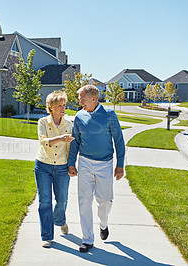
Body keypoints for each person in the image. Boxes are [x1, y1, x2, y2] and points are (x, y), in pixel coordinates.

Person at [68, 85, 125, 253]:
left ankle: (103, 223)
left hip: (105, 164)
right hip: (85, 162)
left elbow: (119, 141)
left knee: (105, 200)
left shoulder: (109, 115)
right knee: (84, 201)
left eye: (82, 99)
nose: (80, 102)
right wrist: (72, 163)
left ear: (94, 99)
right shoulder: (79, 116)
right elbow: (75, 141)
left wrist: (120, 165)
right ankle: (87, 239)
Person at [34, 90, 75, 248]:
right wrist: (60, 138)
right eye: (59, 105)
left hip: (62, 167)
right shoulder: (43, 122)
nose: (63, 108)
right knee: (45, 202)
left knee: (62, 200)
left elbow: (71, 147)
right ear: (50, 107)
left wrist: (72, 166)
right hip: (43, 166)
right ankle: (47, 236)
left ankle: (60, 220)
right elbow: (44, 142)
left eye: (64, 105)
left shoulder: (69, 124)